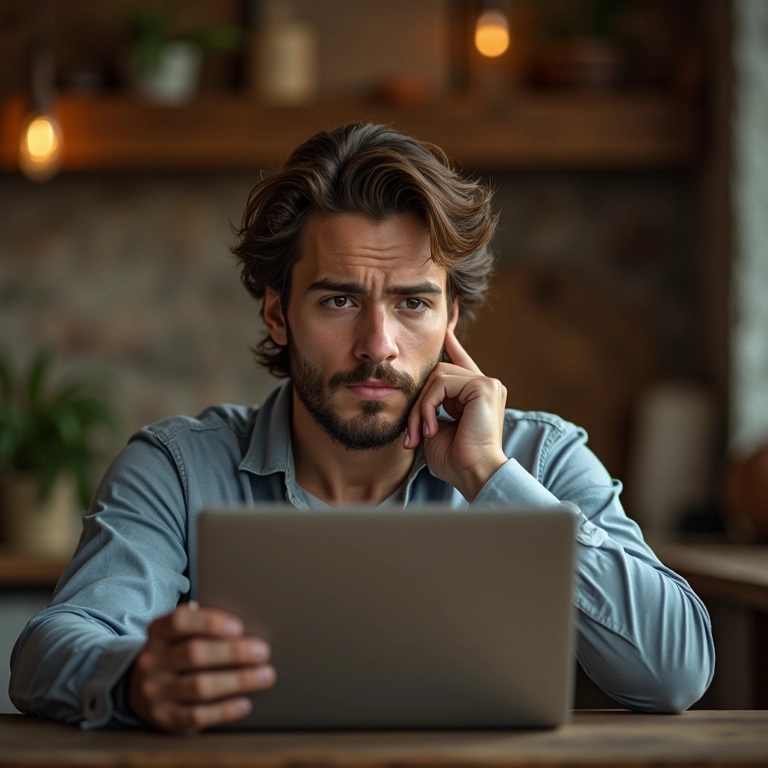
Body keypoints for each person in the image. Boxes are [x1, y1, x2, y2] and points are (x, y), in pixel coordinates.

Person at [10, 122, 714, 733]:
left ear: (451, 319)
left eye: (412, 304)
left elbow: (675, 672)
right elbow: (50, 648)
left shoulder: (538, 458)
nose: (378, 345)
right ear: (278, 313)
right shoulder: (177, 468)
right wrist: (135, 680)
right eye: (340, 300)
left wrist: (489, 477)